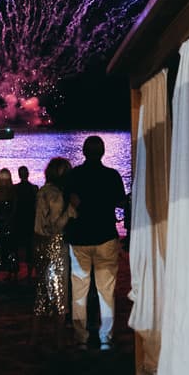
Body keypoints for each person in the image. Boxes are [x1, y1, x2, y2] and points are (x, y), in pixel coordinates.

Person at [64, 135, 126, 351]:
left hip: (79, 237)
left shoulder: (73, 176)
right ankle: (105, 336)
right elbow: (120, 201)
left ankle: (81, 336)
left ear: (83, 152)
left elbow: (68, 201)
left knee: (79, 289)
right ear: (103, 152)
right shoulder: (112, 176)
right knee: (106, 290)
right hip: (105, 235)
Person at [30, 157, 76, 348]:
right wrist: (71, 209)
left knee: (41, 292)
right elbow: (55, 225)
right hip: (56, 244)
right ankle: (59, 340)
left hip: (39, 244)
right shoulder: (56, 195)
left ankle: (34, 338)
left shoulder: (42, 191)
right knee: (59, 292)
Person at [0, 168, 19, 282]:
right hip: (10, 222)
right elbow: (15, 207)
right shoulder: (13, 191)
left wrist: (0, 216)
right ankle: (12, 272)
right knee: (11, 246)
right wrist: (8, 218)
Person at [14, 166, 39, 279]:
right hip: (30, 219)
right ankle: (29, 273)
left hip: (19, 220)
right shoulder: (34, 188)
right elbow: (36, 205)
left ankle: (15, 273)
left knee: (17, 246)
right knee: (29, 247)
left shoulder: (15, 188)